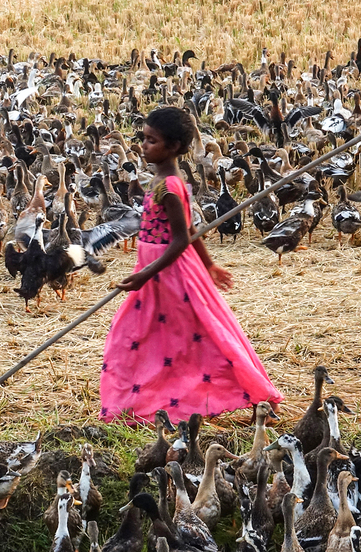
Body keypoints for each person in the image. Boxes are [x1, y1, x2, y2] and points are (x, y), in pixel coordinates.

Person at [99, 107, 282, 424]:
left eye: (151, 140)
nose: (143, 145)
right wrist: (209, 264)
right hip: (158, 272)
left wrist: (145, 274)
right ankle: (140, 398)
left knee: (200, 335)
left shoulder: (170, 186)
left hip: (170, 274)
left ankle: (252, 393)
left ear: (172, 147)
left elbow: (181, 238)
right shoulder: (163, 180)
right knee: (152, 337)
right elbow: (192, 229)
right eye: (144, 138)